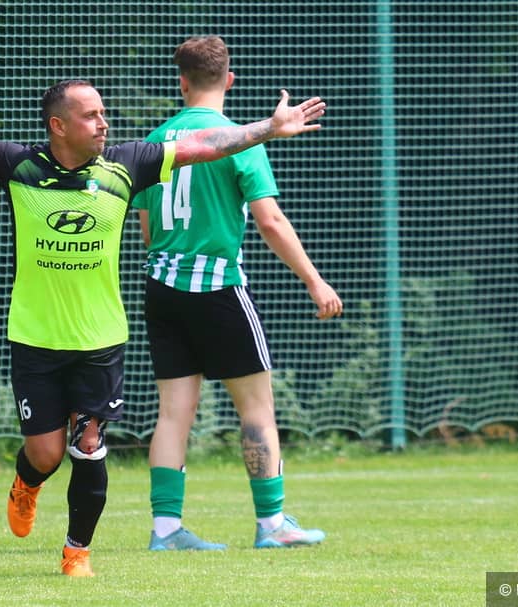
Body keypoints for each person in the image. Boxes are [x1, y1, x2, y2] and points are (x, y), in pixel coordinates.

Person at [0, 77, 325, 575]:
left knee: (89, 444)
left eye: (103, 113)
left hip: (101, 340)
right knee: (46, 454)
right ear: (58, 126)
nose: (103, 123)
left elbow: (203, 145)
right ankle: (26, 484)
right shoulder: (19, 165)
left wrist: (267, 127)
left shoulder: (127, 164)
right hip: (35, 338)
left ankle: (77, 553)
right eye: (91, 115)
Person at [131, 36, 342, 551]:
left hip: (161, 288)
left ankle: (166, 530)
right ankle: (272, 524)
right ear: (229, 79)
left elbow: (146, 230)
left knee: (173, 413)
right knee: (256, 408)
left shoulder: (152, 142)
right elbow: (270, 221)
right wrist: (314, 280)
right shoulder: (239, 138)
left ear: (181, 82)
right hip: (218, 287)